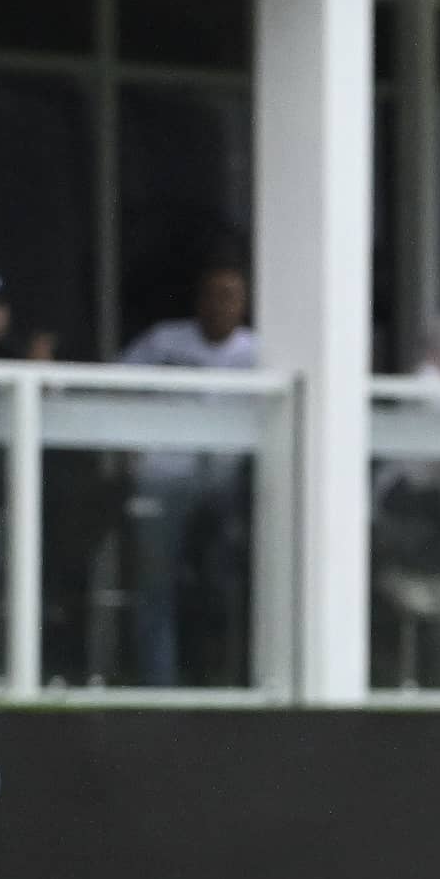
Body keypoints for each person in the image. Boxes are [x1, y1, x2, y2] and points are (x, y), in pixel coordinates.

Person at [117, 264, 259, 686]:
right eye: (213, 294)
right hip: (166, 475)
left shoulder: (258, 351)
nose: (221, 304)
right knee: (156, 580)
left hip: (231, 481)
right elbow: (115, 382)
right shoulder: (165, 341)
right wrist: (129, 445)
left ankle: (231, 679)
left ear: (244, 304)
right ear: (199, 301)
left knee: (228, 580)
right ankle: (158, 684)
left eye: (231, 295)